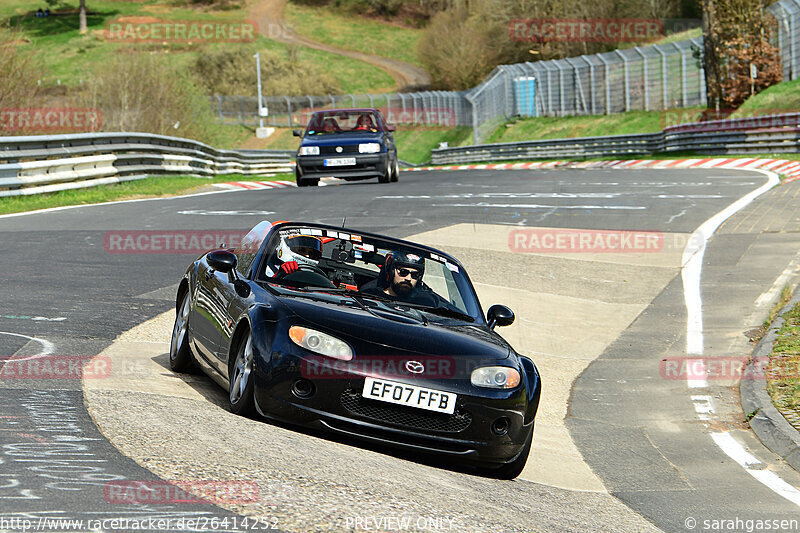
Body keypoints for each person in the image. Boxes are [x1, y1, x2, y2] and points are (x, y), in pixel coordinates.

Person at [361, 250, 435, 305]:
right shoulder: (370, 296)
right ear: (391, 271)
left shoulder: (426, 302)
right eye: (403, 272)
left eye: (415, 274)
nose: (408, 278)